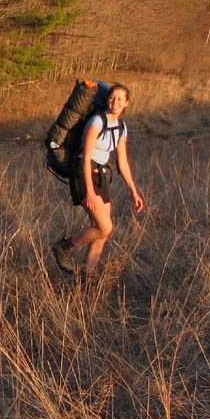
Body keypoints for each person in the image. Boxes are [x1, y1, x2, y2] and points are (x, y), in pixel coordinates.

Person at [51, 83, 144, 280]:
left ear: (127, 103)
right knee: (104, 227)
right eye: (112, 97)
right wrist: (90, 192)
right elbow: (85, 157)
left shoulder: (121, 128)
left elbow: (122, 162)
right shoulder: (96, 122)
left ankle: (86, 277)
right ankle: (65, 245)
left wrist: (134, 191)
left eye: (120, 99)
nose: (115, 102)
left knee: (103, 233)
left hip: (101, 176)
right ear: (107, 100)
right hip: (84, 174)